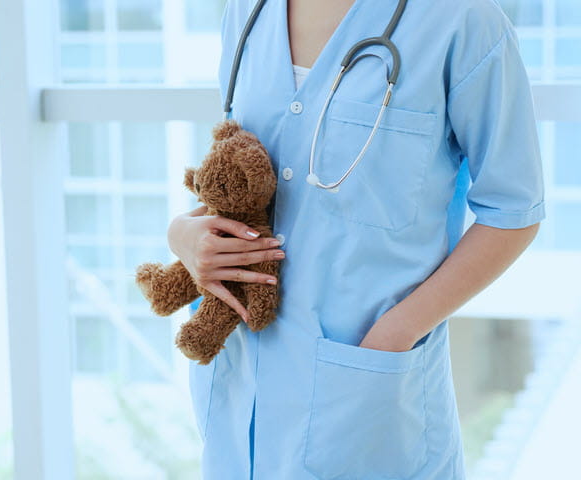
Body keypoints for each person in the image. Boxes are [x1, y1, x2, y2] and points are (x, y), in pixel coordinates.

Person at [167, 0, 546, 478]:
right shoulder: (246, 11)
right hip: (242, 391)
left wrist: (396, 333)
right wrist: (182, 233)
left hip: (370, 405)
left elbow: (513, 213)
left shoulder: (463, 21)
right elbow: (243, 172)